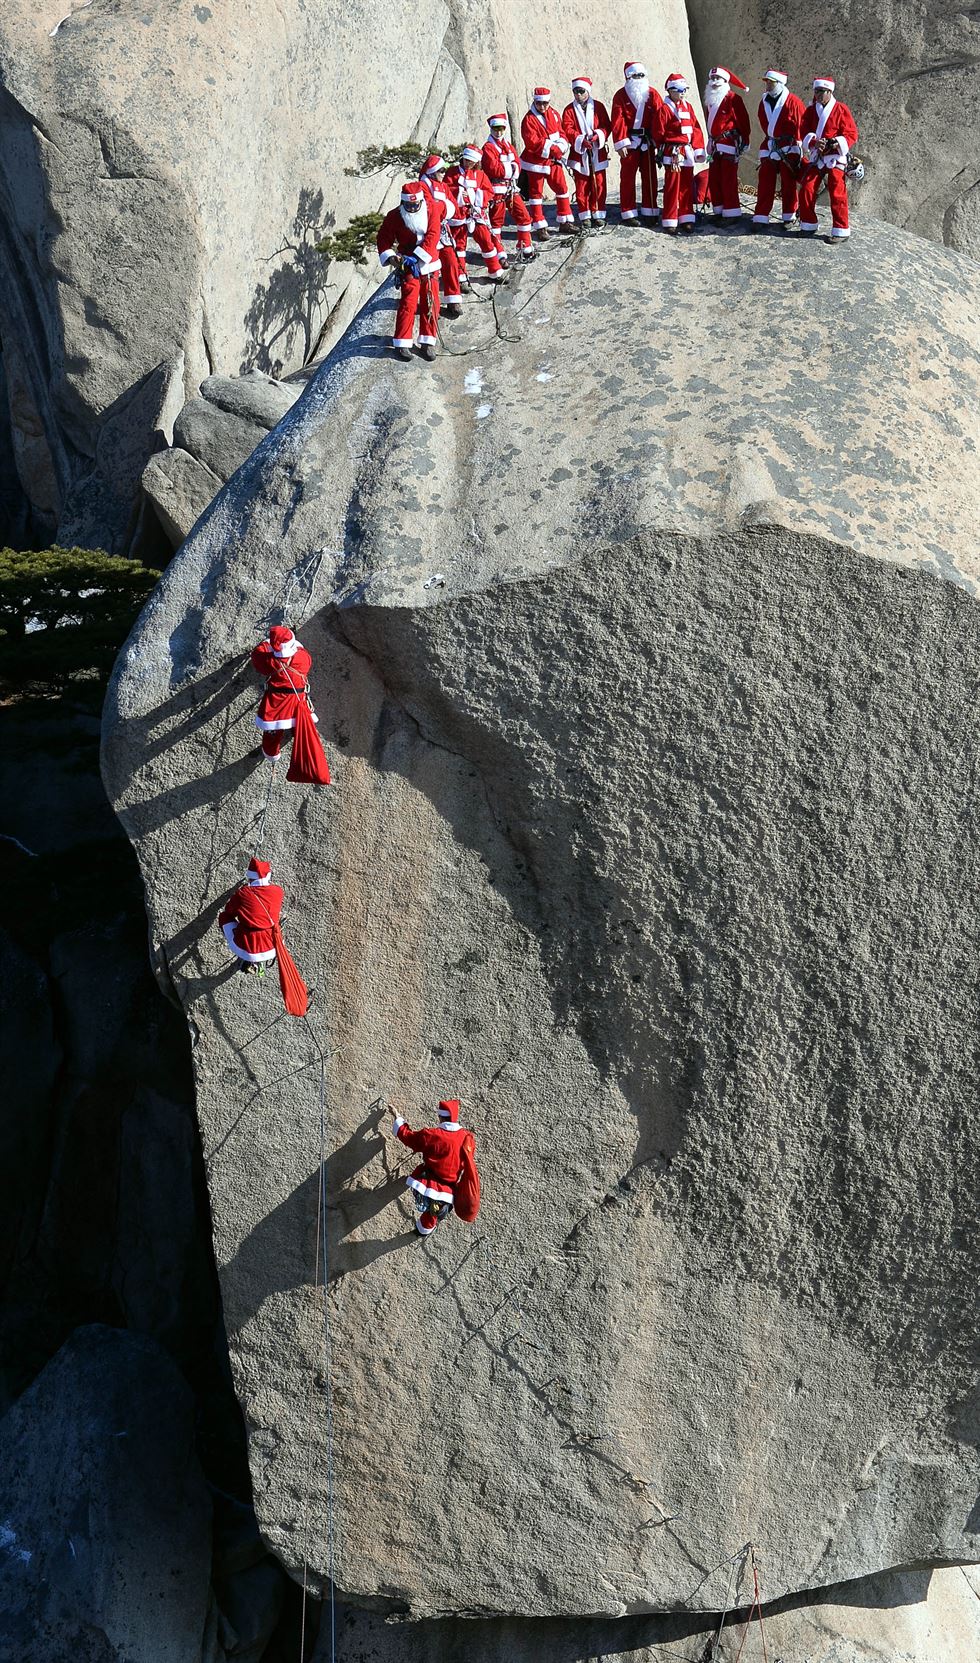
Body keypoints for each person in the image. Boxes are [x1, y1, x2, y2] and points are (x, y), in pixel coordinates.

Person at [217, 858, 308, 1014]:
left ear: (250, 877)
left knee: (224, 917)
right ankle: (258, 964)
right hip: (273, 944)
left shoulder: (243, 893)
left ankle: (251, 961)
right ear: (268, 876)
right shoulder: (278, 891)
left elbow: (229, 910)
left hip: (247, 947)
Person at [391, 1098, 481, 1236]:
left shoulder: (432, 1134)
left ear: (440, 1116)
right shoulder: (467, 1138)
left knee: (430, 1205)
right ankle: (423, 1229)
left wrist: (399, 1121)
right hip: (450, 1188)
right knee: (434, 1211)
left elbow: (409, 1138)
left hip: (427, 1181)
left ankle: (425, 1225)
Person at [375, 181, 443, 360]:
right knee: (408, 302)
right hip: (407, 265)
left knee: (431, 302)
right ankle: (402, 341)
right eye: (409, 205)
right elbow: (383, 238)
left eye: (415, 205)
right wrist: (391, 257)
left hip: (429, 263)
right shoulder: (395, 216)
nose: (412, 208)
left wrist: (418, 257)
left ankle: (428, 342)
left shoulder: (432, 210)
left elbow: (433, 235)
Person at [798, 77, 859, 243]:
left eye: (820, 91)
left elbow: (851, 133)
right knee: (807, 188)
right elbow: (803, 130)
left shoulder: (841, 109)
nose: (817, 95)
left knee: (837, 191)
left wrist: (836, 142)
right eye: (815, 91)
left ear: (829, 92)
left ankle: (841, 230)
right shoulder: (810, 111)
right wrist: (813, 141)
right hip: (818, 156)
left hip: (835, 156)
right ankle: (808, 224)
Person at [611, 62, 664, 225]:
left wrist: (658, 141)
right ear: (628, 77)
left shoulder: (653, 94)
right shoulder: (620, 96)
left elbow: (659, 118)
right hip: (629, 143)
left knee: (650, 176)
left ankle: (651, 210)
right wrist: (621, 143)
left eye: (641, 75)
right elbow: (617, 119)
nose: (639, 79)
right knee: (627, 177)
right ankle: (628, 212)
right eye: (635, 76)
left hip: (648, 141)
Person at [752, 69, 806, 230]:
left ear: (779, 84)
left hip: (789, 147)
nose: (767, 85)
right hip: (770, 145)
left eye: (771, 82)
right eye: (767, 82)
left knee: (788, 180)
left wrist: (798, 144)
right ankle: (761, 215)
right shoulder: (764, 101)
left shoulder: (793, 102)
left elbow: (801, 124)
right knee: (765, 178)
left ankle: (790, 214)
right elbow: (763, 120)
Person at [445, 146, 507, 282]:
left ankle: (495, 271)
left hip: (476, 213)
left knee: (486, 240)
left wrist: (475, 195)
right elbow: (447, 191)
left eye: (471, 161)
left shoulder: (480, 175)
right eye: (467, 160)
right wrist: (460, 193)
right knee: (459, 245)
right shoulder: (452, 173)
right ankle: (461, 277)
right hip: (459, 214)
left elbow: (489, 192)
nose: (468, 163)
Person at [520, 87, 573, 238]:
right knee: (536, 194)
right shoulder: (529, 119)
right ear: (534, 102)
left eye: (545, 103)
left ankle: (565, 221)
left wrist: (561, 146)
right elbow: (532, 142)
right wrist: (551, 148)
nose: (542, 106)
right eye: (539, 103)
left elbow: (562, 133)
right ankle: (539, 226)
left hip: (553, 160)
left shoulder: (555, 115)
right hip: (535, 162)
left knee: (562, 188)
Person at [481, 114, 535, 262]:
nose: (498, 132)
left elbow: (517, 164)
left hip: (510, 188)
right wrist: (510, 167)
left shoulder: (508, 146)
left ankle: (525, 246)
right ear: (491, 129)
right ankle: (498, 252)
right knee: (496, 222)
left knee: (523, 216)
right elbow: (493, 169)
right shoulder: (488, 148)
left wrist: (508, 168)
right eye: (495, 128)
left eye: (501, 128)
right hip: (496, 190)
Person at [561, 77, 612, 228]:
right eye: (575, 92)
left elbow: (606, 126)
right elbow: (567, 128)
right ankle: (585, 215)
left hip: (597, 149)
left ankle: (599, 213)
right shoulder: (569, 110)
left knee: (599, 183)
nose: (578, 95)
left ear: (587, 91)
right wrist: (580, 139)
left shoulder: (599, 107)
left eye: (581, 91)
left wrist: (599, 135)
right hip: (580, 151)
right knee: (582, 184)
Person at [660, 72, 706, 234]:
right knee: (672, 186)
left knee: (687, 186)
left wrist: (698, 148)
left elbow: (695, 129)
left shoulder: (689, 107)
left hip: (686, 151)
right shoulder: (664, 110)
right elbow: (658, 132)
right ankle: (670, 219)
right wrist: (666, 149)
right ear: (670, 91)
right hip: (672, 152)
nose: (682, 93)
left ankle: (686, 217)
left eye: (685, 89)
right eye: (679, 89)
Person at [703, 66, 751, 223]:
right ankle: (719, 210)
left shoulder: (733, 99)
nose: (715, 82)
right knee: (714, 178)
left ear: (725, 81)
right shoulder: (709, 100)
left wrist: (745, 141)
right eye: (712, 79)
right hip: (714, 144)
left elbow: (744, 122)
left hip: (729, 144)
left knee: (728, 179)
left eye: (718, 79)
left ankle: (731, 213)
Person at [419, 154, 464, 316]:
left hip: (443, 231)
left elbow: (453, 206)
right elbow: (429, 208)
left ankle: (453, 299)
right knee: (432, 269)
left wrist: (443, 208)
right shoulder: (421, 187)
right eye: (441, 170)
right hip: (427, 234)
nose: (444, 173)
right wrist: (444, 208)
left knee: (451, 262)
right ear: (432, 171)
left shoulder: (443, 186)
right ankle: (431, 303)